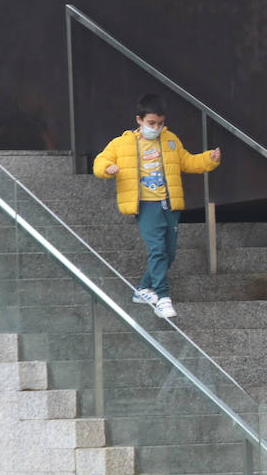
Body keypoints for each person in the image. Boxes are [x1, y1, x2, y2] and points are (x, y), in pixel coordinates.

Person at [94, 93, 221, 319]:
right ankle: (162, 297)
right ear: (139, 120)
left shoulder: (170, 140)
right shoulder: (122, 143)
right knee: (157, 250)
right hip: (145, 204)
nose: (156, 127)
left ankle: (143, 289)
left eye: (160, 124)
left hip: (169, 204)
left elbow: (187, 161)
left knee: (169, 253)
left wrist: (209, 158)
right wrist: (108, 168)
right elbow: (100, 161)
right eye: (152, 123)